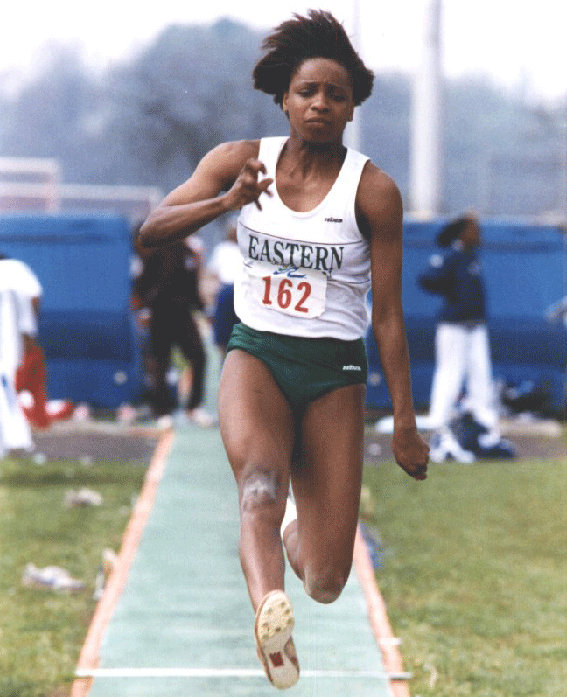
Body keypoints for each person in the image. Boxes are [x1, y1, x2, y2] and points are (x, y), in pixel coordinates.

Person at [137, 10, 428, 690]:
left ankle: (298, 545)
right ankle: (270, 612)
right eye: (307, 92)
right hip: (257, 355)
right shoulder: (240, 162)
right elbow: (153, 229)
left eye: (335, 94)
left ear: (352, 106)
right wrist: (227, 203)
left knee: (327, 578)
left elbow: (387, 317)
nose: (319, 104)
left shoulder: (374, 191)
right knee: (257, 488)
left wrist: (407, 424)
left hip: (333, 372)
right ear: (283, 99)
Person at [417, 213, 504, 462]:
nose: (479, 234)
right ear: (463, 232)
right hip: (453, 327)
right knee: (450, 373)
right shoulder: (452, 256)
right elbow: (426, 279)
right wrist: (450, 292)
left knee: (480, 373)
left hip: (475, 327)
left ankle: (483, 420)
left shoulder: (472, 257)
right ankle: (440, 419)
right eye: (474, 229)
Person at [132, 232, 215, 428]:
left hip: (183, 314)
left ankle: (194, 407)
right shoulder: (156, 251)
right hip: (160, 314)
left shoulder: (189, 253)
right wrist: (144, 308)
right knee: (160, 362)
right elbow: (143, 282)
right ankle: (161, 411)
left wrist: (204, 311)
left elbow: (193, 289)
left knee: (199, 356)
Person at [207, 216, 241, 360]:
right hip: (226, 294)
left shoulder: (246, 250)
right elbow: (212, 276)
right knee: (222, 338)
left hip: (242, 293)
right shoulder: (221, 249)